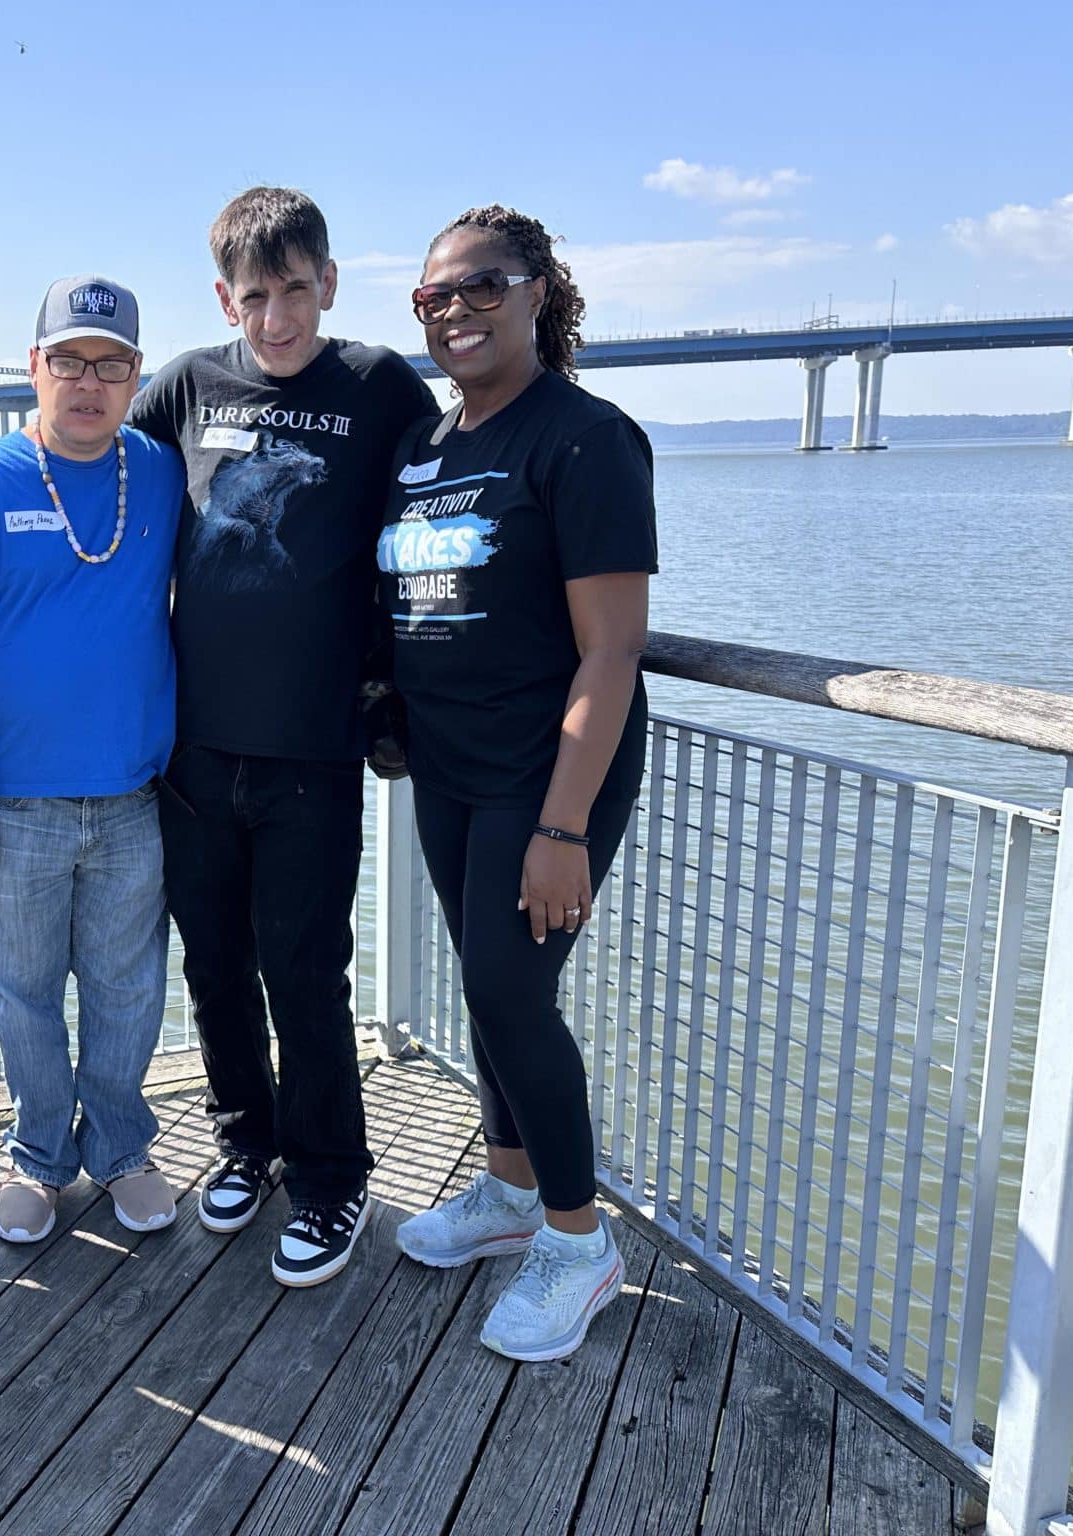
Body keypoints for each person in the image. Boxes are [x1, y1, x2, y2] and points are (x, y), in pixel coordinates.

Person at [0, 189, 435, 1287]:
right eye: (254, 296)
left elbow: (446, 487)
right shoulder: (189, 387)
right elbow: (81, 446)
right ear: (224, 298)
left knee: (304, 973)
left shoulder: (381, 384)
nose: (276, 317)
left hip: (309, 750)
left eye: (294, 290)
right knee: (213, 969)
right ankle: (246, 1144)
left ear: (328, 284)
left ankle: (331, 1179)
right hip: (190, 760)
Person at [383, 206, 657, 1362]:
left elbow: (610, 649)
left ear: (537, 292)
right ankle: (505, 1189)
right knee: (483, 985)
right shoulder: (428, 446)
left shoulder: (584, 439)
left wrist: (562, 825)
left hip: (543, 776)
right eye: (432, 296)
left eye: (480, 286)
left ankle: (577, 1239)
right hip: (446, 767)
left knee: (508, 993)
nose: (455, 310)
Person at [0, 275, 185, 1244]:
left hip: (133, 798)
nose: (88, 383)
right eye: (68, 361)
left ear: (135, 378)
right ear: (33, 367)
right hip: (14, 806)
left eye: (111, 366)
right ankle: (37, 1155)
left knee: (128, 992)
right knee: (25, 997)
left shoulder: (161, 471)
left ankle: (120, 1150)